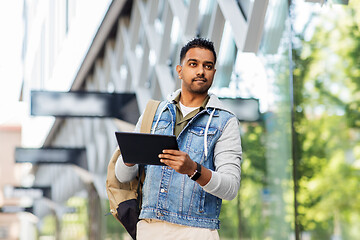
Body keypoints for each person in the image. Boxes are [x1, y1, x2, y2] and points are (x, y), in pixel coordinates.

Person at [115, 37, 242, 240]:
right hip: (150, 228)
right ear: (179, 71)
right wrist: (131, 156)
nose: (201, 71)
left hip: (197, 231)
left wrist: (194, 170)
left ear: (214, 73)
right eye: (193, 64)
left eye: (207, 66)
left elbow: (230, 188)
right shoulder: (153, 113)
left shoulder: (225, 122)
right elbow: (122, 176)